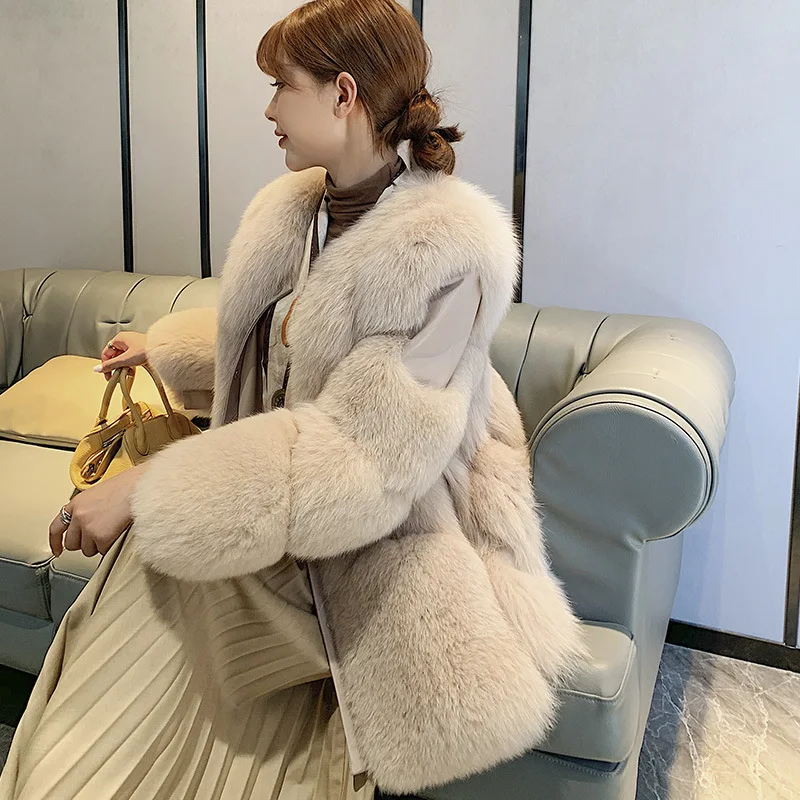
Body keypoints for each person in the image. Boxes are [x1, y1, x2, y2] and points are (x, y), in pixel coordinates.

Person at [0, 1, 585, 798]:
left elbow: (364, 456)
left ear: (343, 94)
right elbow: (294, 347)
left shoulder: (445, 257)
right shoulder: (295, 211)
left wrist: (149, 487)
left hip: (372, 537)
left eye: (281, 86)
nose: (269, 110)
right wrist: (164, 349)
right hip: (279, 503)